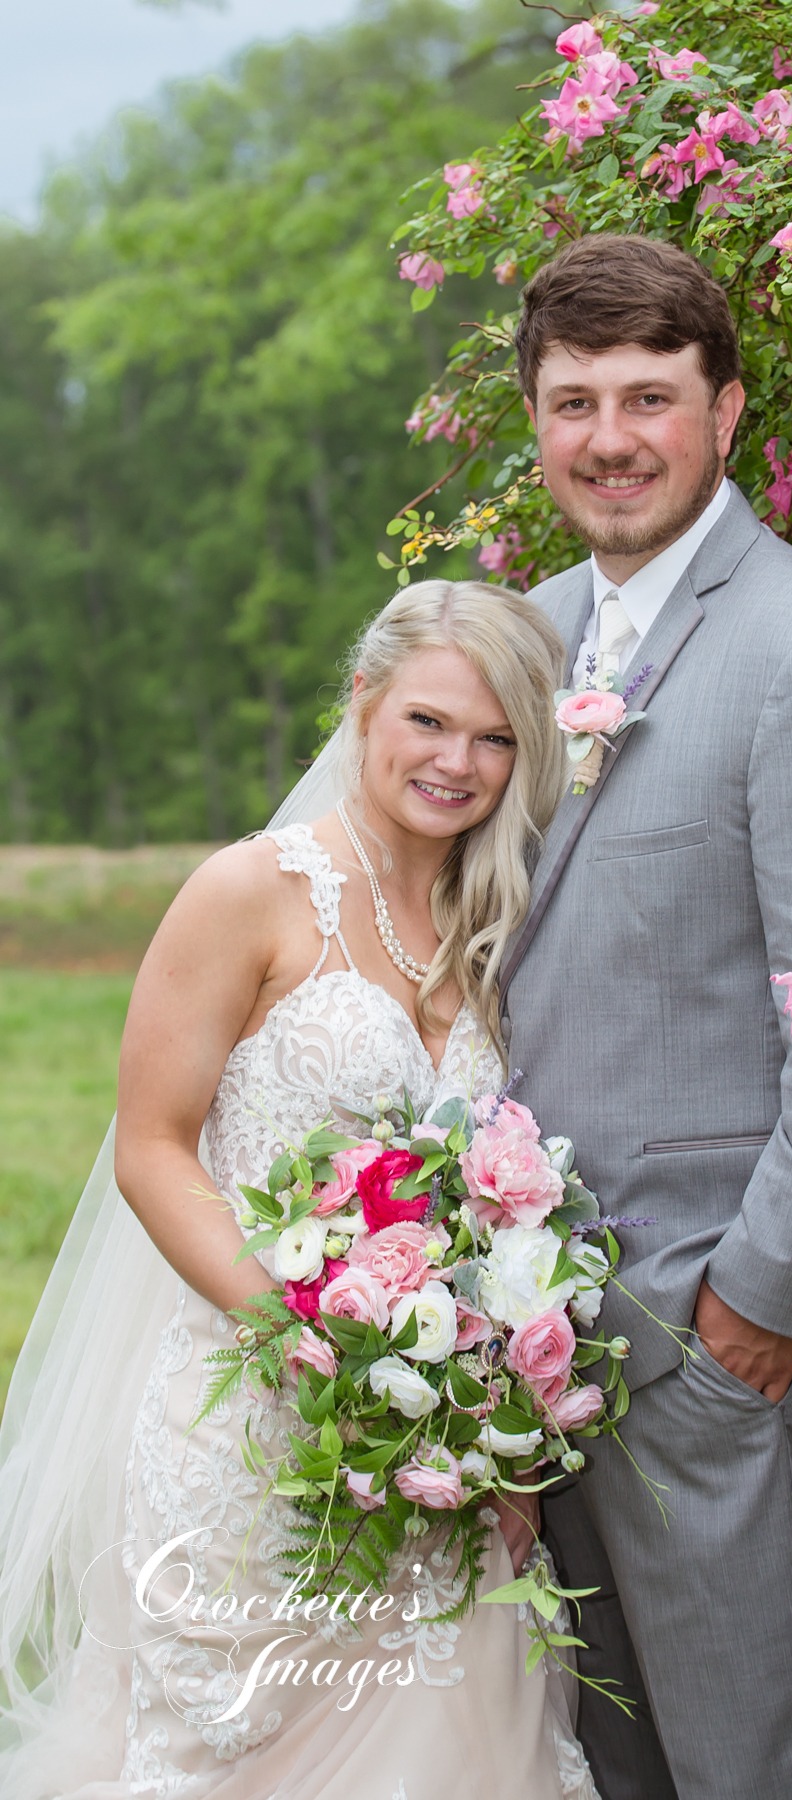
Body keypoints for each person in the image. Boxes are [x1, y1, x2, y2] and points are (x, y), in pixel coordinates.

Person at [0, 580, 600, 1800]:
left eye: (495, 740)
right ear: (364, 701)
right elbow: (153, 1148)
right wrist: (300, 1333)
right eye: (429, 721)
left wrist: (497, 1418)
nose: (459, 762)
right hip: (251, 1422)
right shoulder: (250, 892)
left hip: (440, 1450)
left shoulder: (502, 917)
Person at [502, 234, 792, 1800]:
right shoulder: (530, 635)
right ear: (538, 421)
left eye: (647, 396)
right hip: (544, 1334)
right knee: (606, 1758)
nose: (608, 437)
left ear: (728, 411)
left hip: (722, 1333)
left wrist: (760, 1303)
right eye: (573, 401)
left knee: (764, 1760)